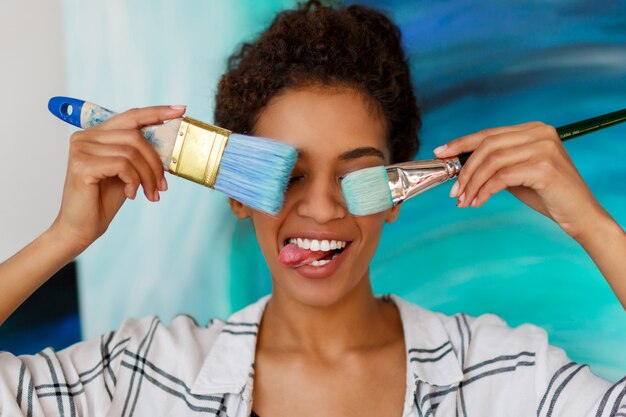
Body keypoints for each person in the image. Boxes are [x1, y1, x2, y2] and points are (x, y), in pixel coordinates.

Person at [1, 1, 624, 416]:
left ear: (396, 196)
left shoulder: (499, 374)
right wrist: (63, 237)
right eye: (289, 174)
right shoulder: (144, 376)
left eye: (355, 177)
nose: (322, 208)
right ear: (238, 192)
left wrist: (593, 226)